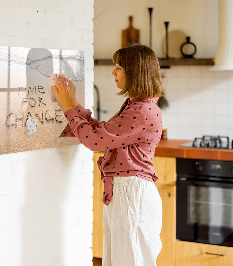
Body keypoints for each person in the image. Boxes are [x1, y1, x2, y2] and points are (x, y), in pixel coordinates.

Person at [52, 44, 164, 266]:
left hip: (132, 195)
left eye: (119, 67)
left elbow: (95, 141)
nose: (113, 72)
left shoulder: (141, 111)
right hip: (127, 193)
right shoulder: (137, 106)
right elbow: (103, 133)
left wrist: (67, 108)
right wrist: (73, 104)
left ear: (135, 72)